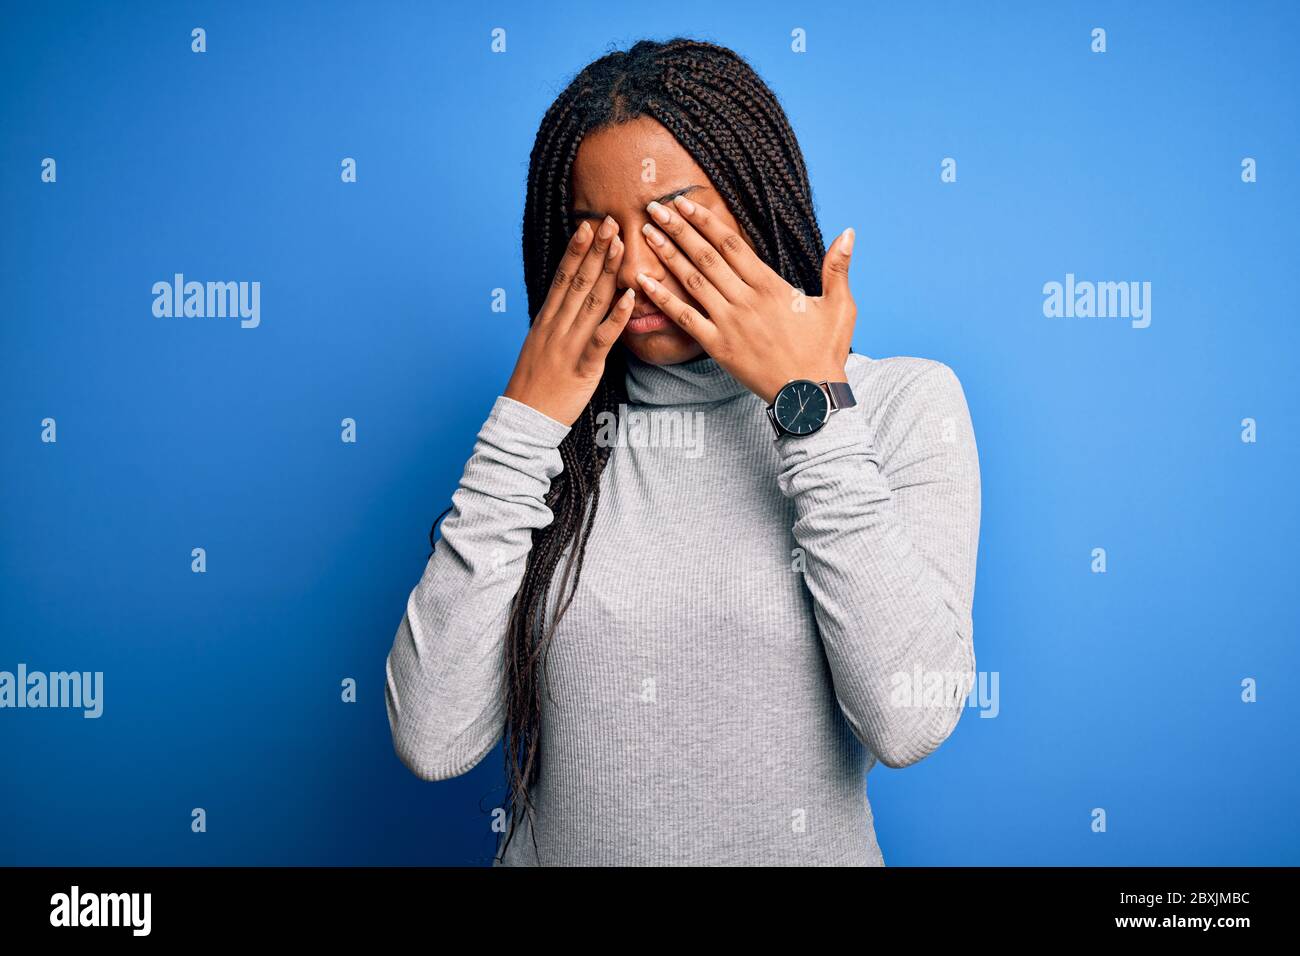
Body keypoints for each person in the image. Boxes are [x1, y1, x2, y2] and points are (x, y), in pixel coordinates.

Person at [384, 37, 981, 866]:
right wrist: (525, 422)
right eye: (597, 232)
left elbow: (909, 719)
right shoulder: (549, 441)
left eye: (670, 220)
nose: (633, 265)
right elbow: (432, 737)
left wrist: (807, 407)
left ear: (754, 200)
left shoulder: (901, 405)